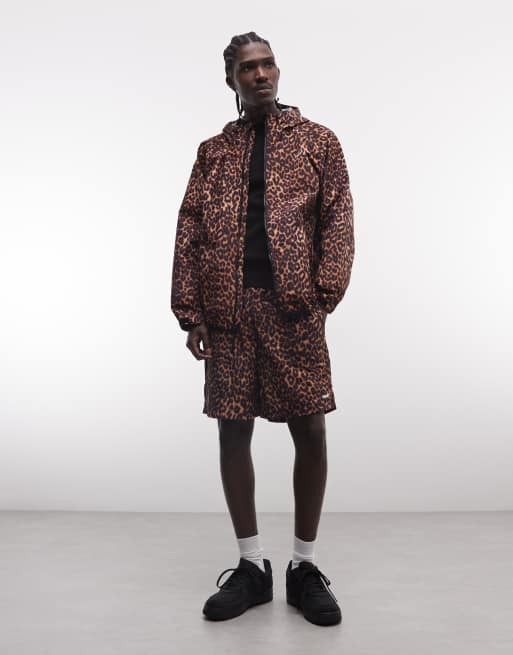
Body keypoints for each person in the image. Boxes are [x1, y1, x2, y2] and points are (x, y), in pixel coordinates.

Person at [170, 31, 354, 626]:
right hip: (228, 313)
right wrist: (191, 311)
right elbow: (190, 229)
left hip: (293, 310)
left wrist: (322, 294)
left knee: (311, 429)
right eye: (248, 68)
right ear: (232, 80)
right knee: (232, 432)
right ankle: (251, 568)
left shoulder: (317, 142)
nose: (261, 74)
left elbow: (338, 219)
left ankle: (305, 567)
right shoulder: (213, 153)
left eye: (268, 63)